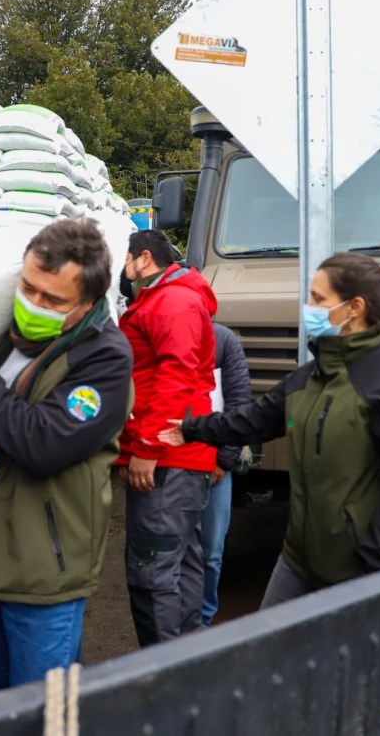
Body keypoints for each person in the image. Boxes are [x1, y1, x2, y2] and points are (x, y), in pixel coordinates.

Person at [0, 218, 133, 693]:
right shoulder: (4, 329)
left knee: (42, 702)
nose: (33, 304)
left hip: (41, 559)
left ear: (86, 304)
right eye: (28, 288)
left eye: (53, 300)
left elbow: (40, 443)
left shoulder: (104, 357)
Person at [159, 252, 380, 608]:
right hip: (297, 560)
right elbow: (255, 419)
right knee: (271, 640)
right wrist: (192, 428)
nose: (308, 308)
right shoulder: (311, 376)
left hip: (360, 571)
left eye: (318, 299)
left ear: (354, 308)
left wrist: (374, 567)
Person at [116, 229, 218, 646]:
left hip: (167, 457)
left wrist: (147, 447)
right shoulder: (167, 298)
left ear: (143, 258)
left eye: (125, 259)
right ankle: (187, 660)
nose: (122, 269)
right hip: (178, 456)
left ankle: (161, 671)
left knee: (152, 570)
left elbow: (175, 377)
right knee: (181, 563)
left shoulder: (173, 301)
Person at [201, 322, 251, 627]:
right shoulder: (162, 332)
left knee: (210, 552)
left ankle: (203, 621)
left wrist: (224, 459)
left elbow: (238, 403)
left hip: (214, 468)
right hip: (173, 464)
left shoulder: (222, 339)